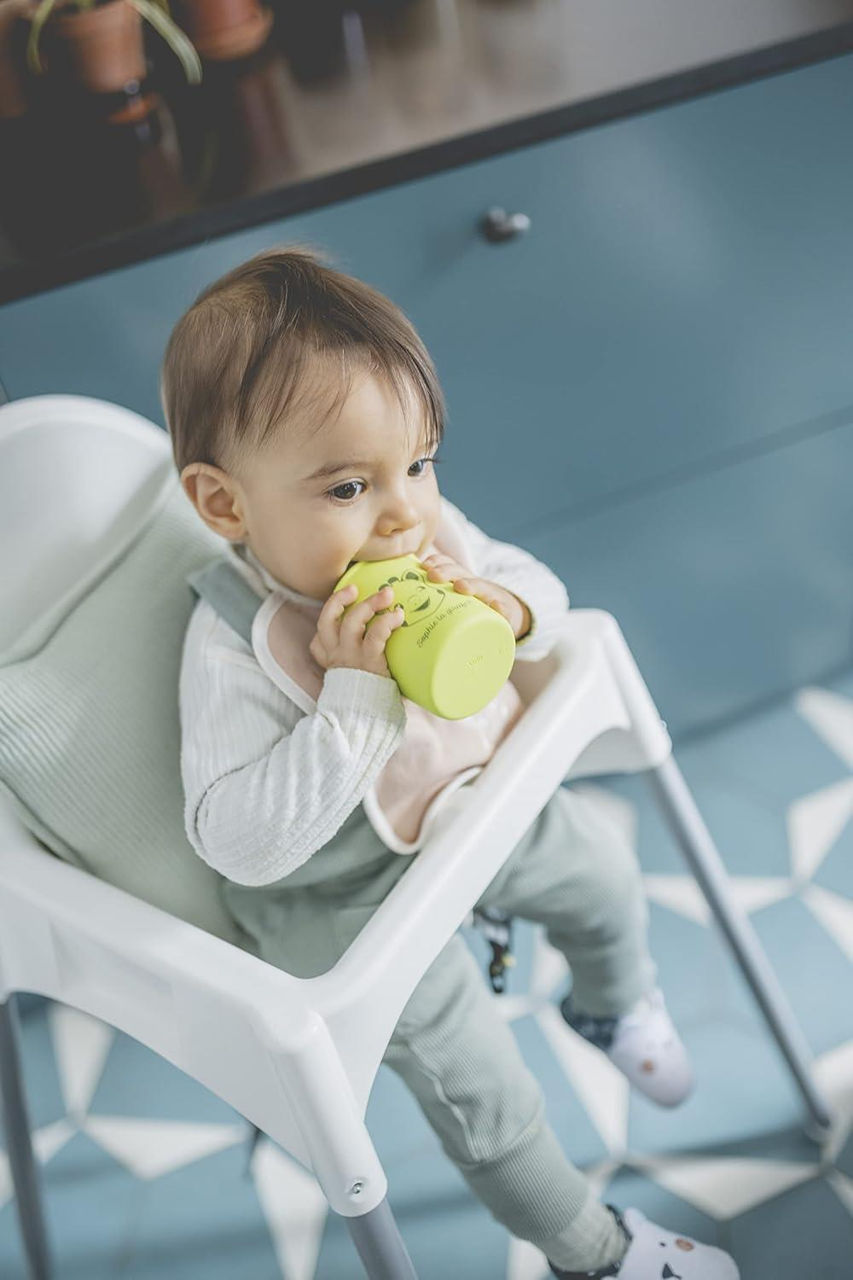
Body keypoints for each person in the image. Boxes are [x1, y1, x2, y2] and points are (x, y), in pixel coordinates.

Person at [162, 246, 739, 1280]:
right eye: (349, 485)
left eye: (419, 464)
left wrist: (505, 608)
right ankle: (591, 1250)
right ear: (225, 504)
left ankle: (610, 1000)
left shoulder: (425, 536)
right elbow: (238, 844)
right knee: (483, 1093)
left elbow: (540, 587)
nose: (404, 513)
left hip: (477, 806)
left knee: (604, 875)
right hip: (350, 897)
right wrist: (355, 695)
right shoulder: (232, 646)